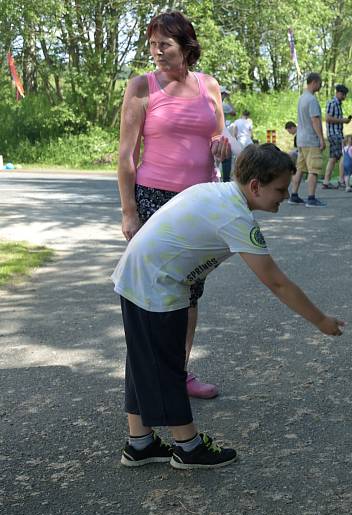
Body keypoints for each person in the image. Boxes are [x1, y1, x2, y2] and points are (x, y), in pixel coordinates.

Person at [114, 143, 344, 470]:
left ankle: (140, 443)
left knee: (143, 360)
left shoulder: (220, 194)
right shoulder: (235, 216)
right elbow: (276, 281)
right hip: (155, 286)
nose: (284, 194)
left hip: (141, 276)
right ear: (255, 186)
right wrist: (320, 320)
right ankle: (188, 447)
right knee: (166, 365)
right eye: (279, 188)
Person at [116, 10, 229, 399]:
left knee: (189, 291)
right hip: (154, 200)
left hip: (199, 202)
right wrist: (129, 211)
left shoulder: (208, 85)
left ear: (186, 46)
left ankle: (178, 373)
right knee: (153, 292)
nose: (156, 52)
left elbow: (217, 133)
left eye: (164, 44)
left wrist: (222, 142)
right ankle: (152, 377)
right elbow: (126, 156)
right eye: (151, 45)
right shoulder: (141, 87)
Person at [288, 72, 326, 207]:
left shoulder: (301, 98)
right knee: (313, 169)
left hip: (301, 139)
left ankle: (294, 195)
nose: (321, 86)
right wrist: (321, 138)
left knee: (300, 168)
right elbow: (315, 120)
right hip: (311, 140)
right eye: (320, 83)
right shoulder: (312, 100)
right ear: (314, 82)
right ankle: (311, 198)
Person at [322, 84, 352, 189]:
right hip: (335, 134)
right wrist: (343, 120)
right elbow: (328, 118)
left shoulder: (338, 104)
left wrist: (343, 120)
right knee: (343, 155)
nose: (344, 97)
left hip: (336, 133)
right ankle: (341, 180)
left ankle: (326, 181)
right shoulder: (332, 103)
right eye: (343, 94)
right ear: (338, 93)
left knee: (333, 158)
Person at [220, 86, 236, 182]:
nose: (225, 96)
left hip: (211, 134)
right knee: (227, 156)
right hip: (222, 133)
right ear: (222, 94)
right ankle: (226, 180)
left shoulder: (210, 103)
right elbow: (234, 112)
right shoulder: (224, 105)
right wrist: (229, 100)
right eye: (225, 94)